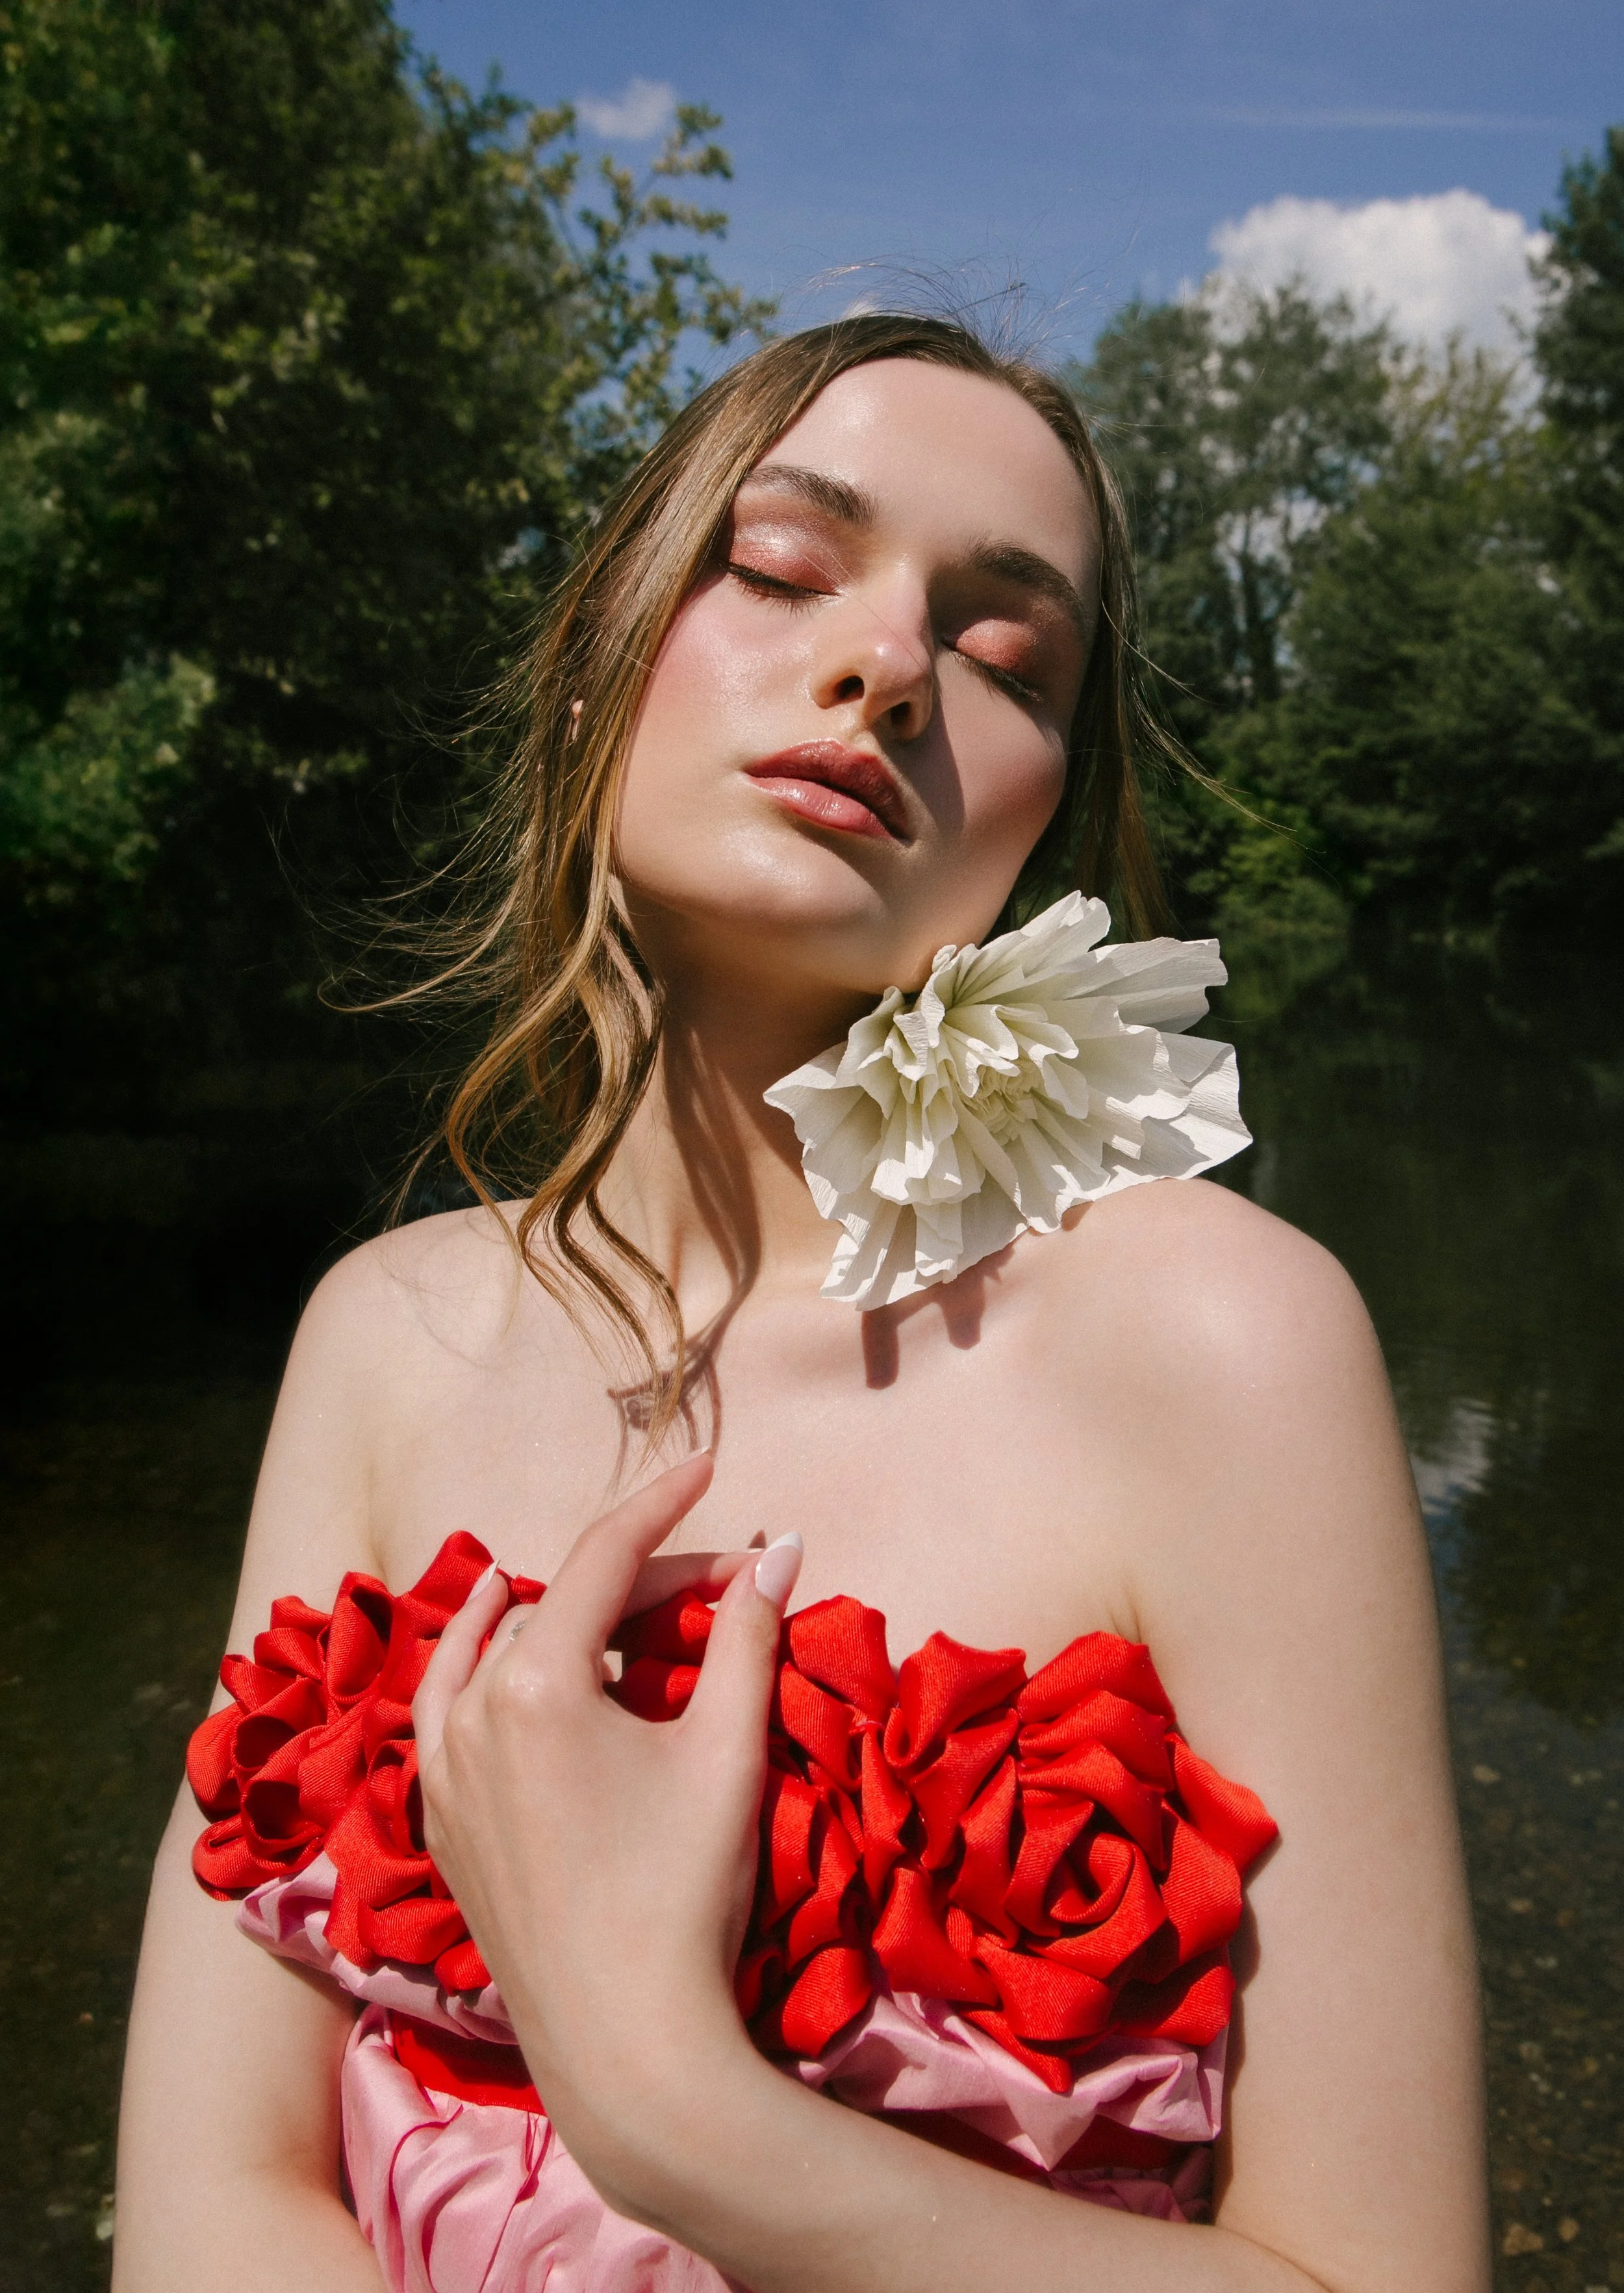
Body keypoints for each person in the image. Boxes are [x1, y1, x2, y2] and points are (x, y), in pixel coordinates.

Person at [113, 314, 1490, 2292]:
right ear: (600, 648)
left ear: (1040, 815)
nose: (891, 669)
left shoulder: (1222, 1342)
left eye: (1008, 656)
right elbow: (207, 2206)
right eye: (775, 568)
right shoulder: (384, 1338)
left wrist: (671, 2105)